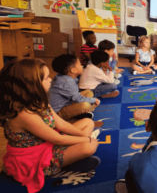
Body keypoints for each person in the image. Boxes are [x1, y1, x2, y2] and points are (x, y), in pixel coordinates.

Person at [0, 58, 100, 193]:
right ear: (31, 85)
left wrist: (83, 136)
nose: (51, 80)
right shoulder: (24, 114)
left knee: (88, 122)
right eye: (46, 78)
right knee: (89, 147)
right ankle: (60, 166)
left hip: (48, 143)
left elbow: (61, 123)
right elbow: (58, 139)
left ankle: (70, 159)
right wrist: (87, 139)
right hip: (34, 157)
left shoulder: (39, 101)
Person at [49, 54, 100, 121]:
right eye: (80, 64)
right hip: (57, 113)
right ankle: (75, 118)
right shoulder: (67, 81)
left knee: (88, 92)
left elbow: (75, 94)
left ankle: (81, 113)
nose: (82, 66)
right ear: (73, 70)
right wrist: (94, 100)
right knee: (85, 105)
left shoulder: (62, 76)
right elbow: (78, 99)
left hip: (67, 103)